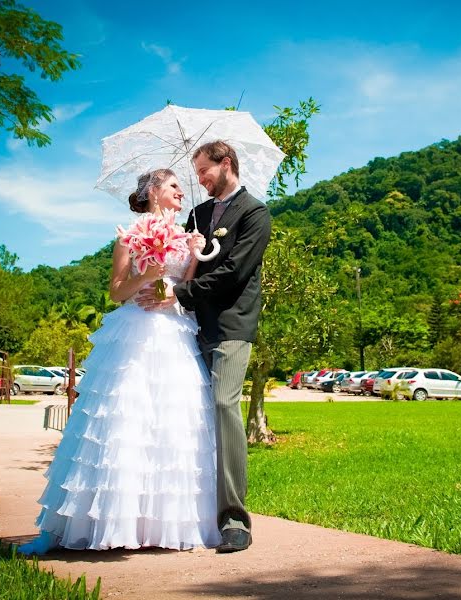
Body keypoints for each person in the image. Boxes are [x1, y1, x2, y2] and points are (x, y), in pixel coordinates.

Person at [16, 168, 221, 554]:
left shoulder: (188, 236)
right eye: (174, 186)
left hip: (175, 332)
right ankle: (103, 521)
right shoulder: (129, 236)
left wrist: (183, 271)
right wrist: (152, 274)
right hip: (136, 329)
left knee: (173, 420)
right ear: (153, 192)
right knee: (124, 415)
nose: (181, 192)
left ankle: (162, 524)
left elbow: (188, 286)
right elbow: (116, 291)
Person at [137, 140, 271, 553]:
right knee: (188, 415)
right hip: (190, 327)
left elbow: (233, 273)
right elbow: (177, 266)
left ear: (225, 163)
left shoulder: (255, 214)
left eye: (203, 172)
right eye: (194, 175)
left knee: (224, 405)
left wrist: (180, 296)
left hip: (232, 326)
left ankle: (235, 521)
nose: (199, 180)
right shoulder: (194, 215)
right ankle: (187, 512)